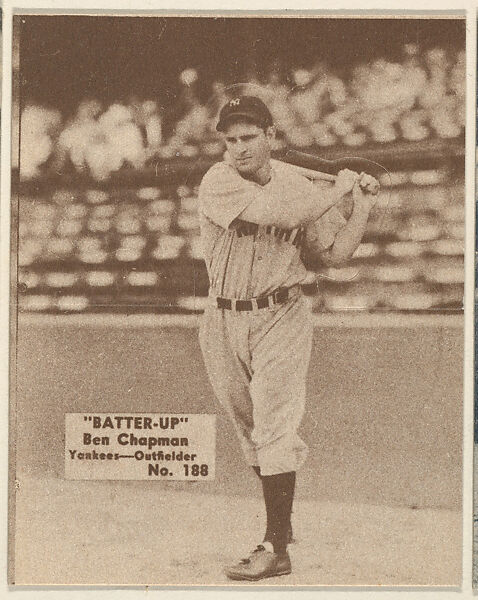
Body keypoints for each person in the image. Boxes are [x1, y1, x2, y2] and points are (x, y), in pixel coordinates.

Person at [197, 95, 379, 581]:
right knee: (251, 433)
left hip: (283, 313)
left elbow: (333, 255)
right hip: (221, 319)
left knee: (275, 429)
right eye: (230, 139)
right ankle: (283, 523)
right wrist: (336, 186)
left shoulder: (303, 186)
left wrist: (359, 204)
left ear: (271, 138)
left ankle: (275, 547)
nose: (238, 148)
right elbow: (278, 211)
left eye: (249, 137)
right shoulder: (218, 181)